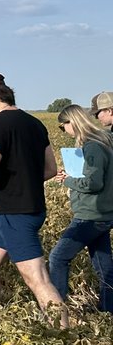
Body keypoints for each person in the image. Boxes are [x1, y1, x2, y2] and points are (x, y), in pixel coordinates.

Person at [0, 72, 66, 326]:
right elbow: (50, 170)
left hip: (15, 213)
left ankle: (64, 334)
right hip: (27, 208)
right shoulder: (34, 123)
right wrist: (23, 181)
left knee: (36, 278)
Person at [48, 104, 113, 314]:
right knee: (104, 267)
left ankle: (57, 313)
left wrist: (68, 179)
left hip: (90, 214)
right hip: (103, 213)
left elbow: (94, 183)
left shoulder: (92, 146)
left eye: (63, 126)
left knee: (58, 258)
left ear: (72, 122)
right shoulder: (103, 140)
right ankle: (107, 309)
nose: (63, 130)